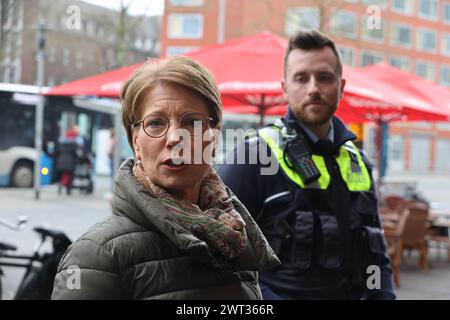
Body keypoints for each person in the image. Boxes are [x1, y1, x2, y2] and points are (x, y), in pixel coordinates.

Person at [52, 56, 280, 299]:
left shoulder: (234, 238)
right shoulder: (97, 256)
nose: (175, 137)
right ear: (135, 142)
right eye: (156, 122)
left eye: (192, 122)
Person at [219, 29, 395, 300]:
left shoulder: (359, 161)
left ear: (341, 85)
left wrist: (382, 296)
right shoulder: (252, 158)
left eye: (324, 77)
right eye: (301, 78)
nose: (313, 88)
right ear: (285, 88)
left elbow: (376, 257)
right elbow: (222, 263)